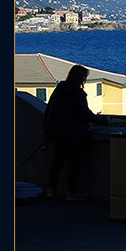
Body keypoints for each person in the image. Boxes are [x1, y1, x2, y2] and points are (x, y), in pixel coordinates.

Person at [45, 64, 102, 200]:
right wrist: (104, 120)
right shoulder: (77, 94)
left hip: (56, 131)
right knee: (74, 162)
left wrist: (47, 130)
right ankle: (71, 192)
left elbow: (49, 110)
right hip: (73, 133)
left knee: (58, 160)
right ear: (81, 78)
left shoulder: (60, 89)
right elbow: (86, 114)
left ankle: (51, 189)